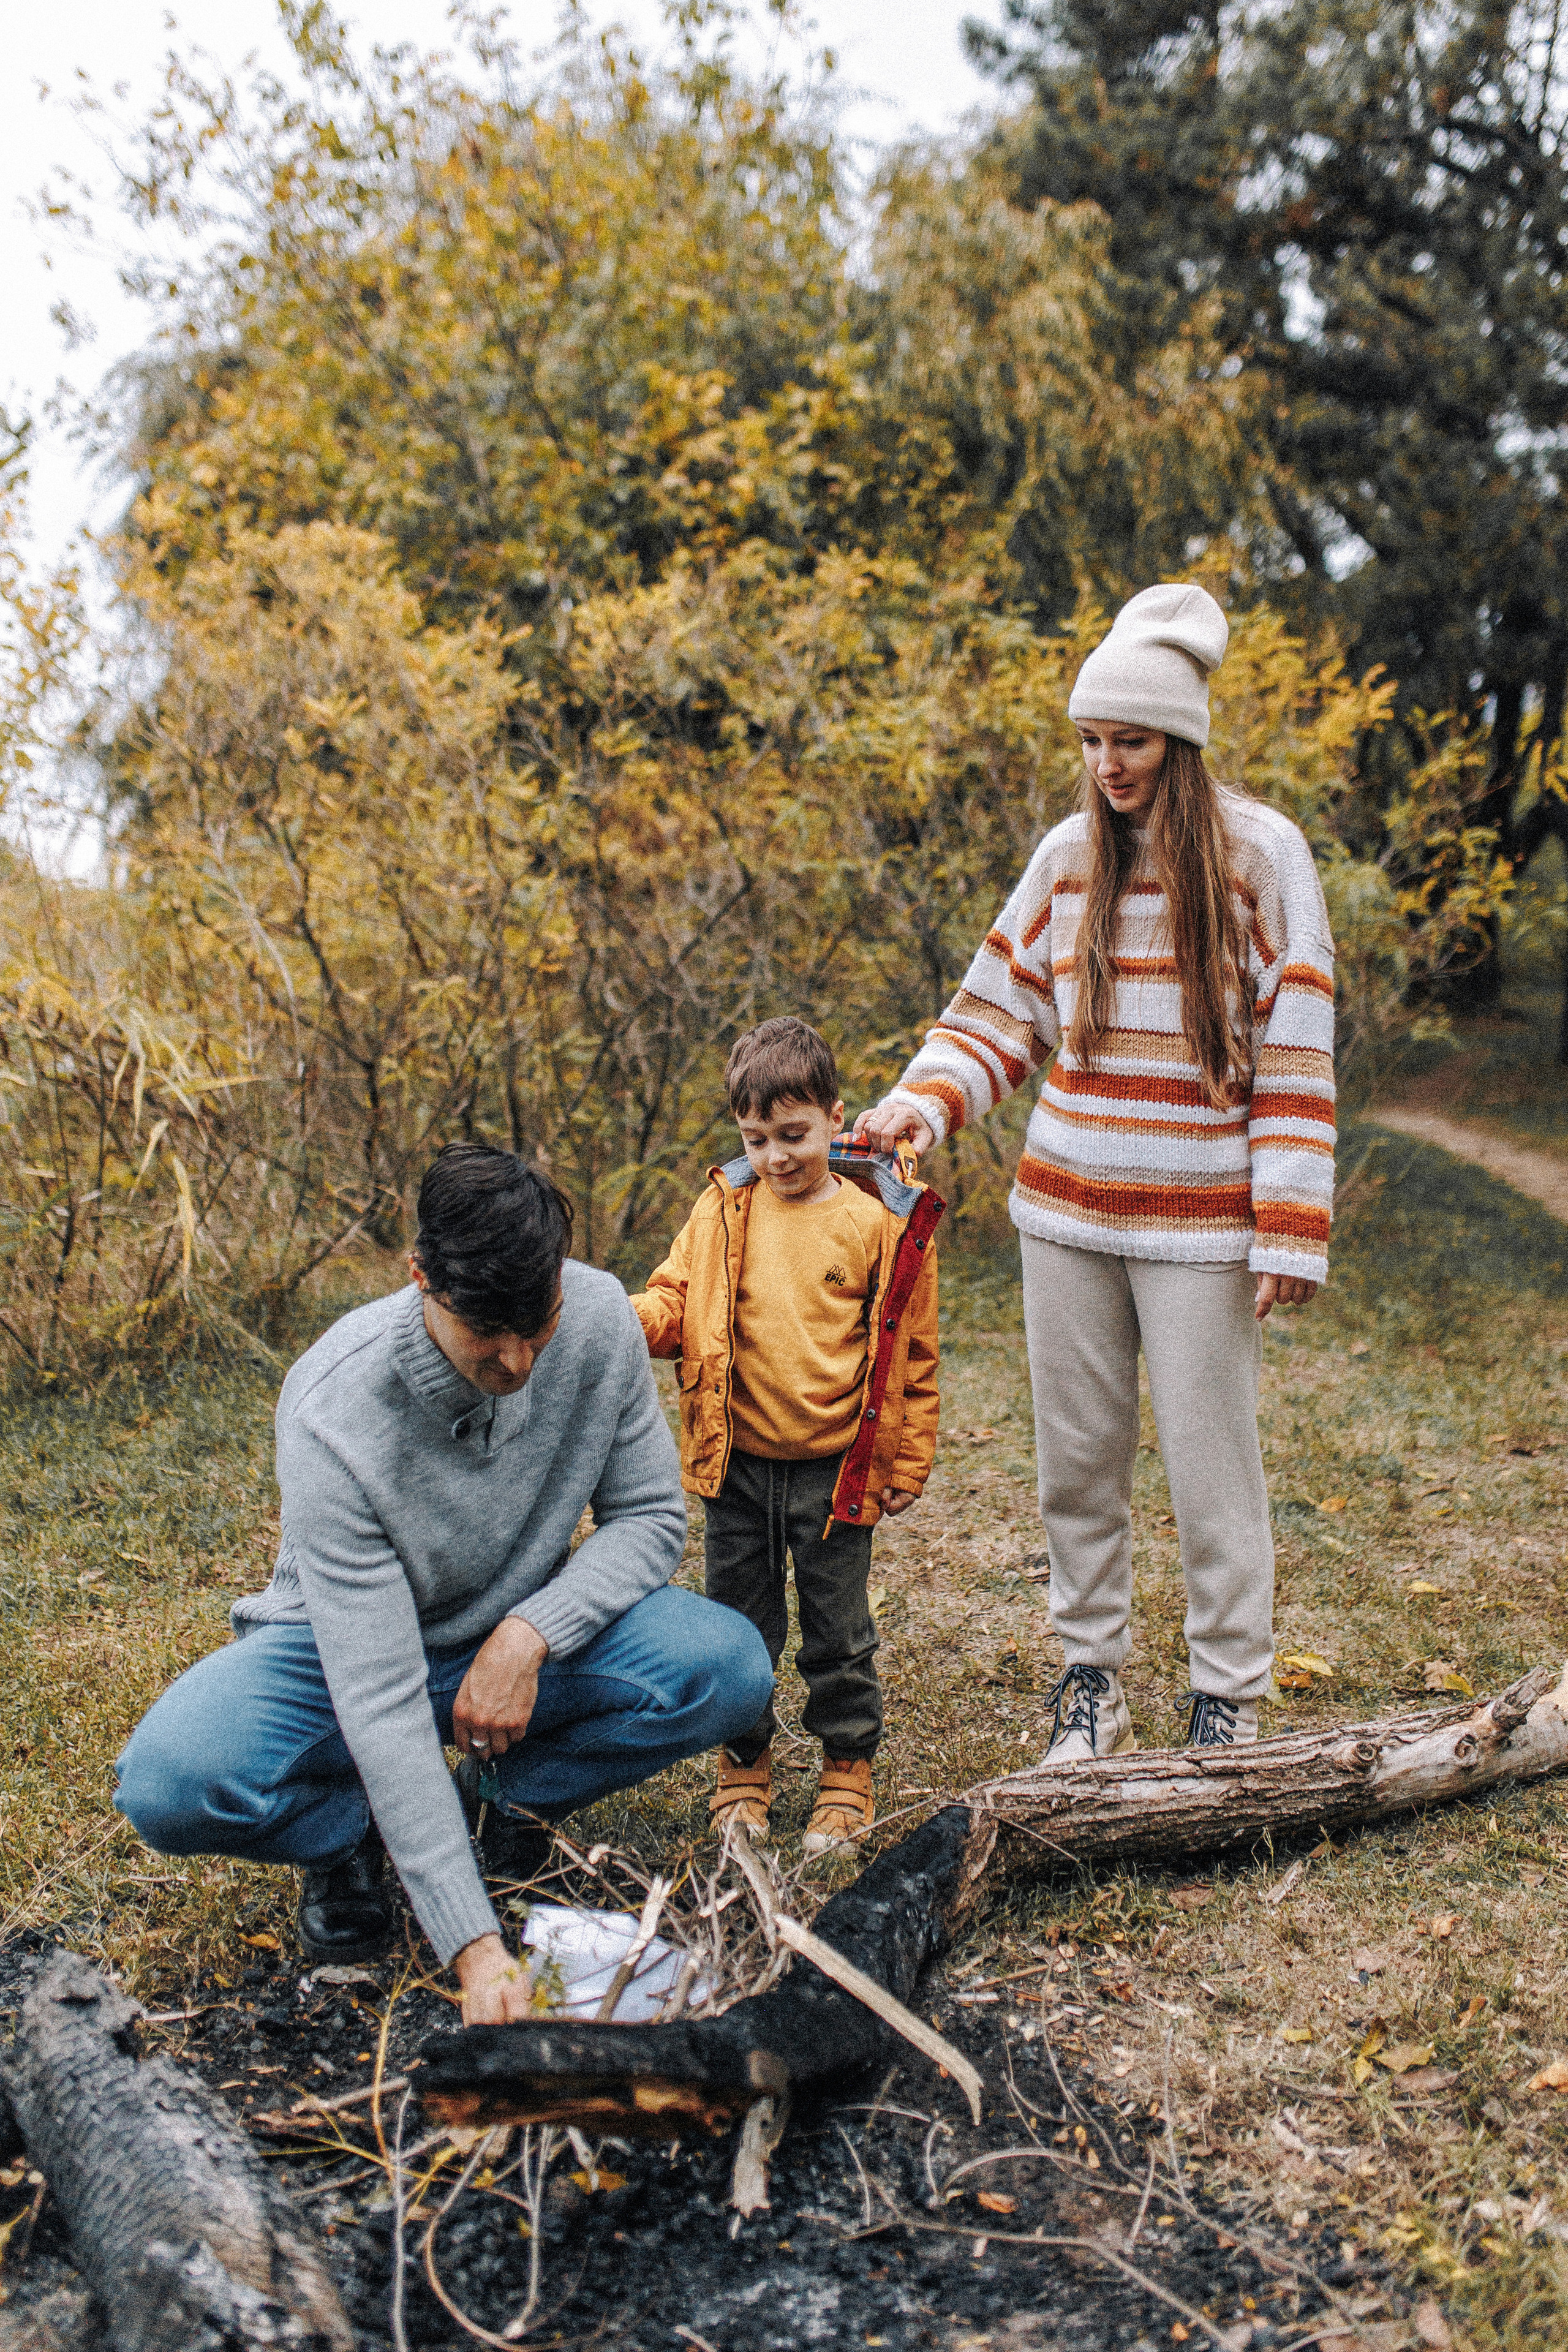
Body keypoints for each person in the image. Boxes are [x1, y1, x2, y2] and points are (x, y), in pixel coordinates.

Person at [115, 1144, 773, 2022]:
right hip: (341, 1652)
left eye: (535, 1330)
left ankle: (507, 1803)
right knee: (169, 1782)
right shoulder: (332, 1413)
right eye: (485, 1340)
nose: (518, 1366)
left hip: (514, 1642)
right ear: (421, 1276)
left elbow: (651, 1519)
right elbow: (379, 1698)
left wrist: (528, 1634)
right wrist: (475, 1947)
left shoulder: (601, 1317)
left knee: (728, 1667)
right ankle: (347, 1837)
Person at [855, 584, 1335, 1759]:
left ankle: (1228, 1697)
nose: (1108, 764)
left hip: (1202, 1223)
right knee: (1077, 1460)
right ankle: (1091, 1683)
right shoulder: (1069, 858)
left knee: (1213, 1465)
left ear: (1181, 741)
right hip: (1065, 1208)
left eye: (1131, 741)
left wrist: (1290, 1219)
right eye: (1093, 741)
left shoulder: (1264, 858)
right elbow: (1000, 1012)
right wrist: (918, 1108)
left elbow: (1297, 1046)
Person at [632, 1018, 942, 1854]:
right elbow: (674, 1298)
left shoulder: (877, 1223)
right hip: (737, 1464)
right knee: (739, 1622)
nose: (776, 1156)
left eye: (795, 1134)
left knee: (838, 1628)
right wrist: (626, 1322)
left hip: (835, 1472)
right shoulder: (723, 1210)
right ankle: (744, 1760)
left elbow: (912, 1353)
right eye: (757, 1137)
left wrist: (908, 1455)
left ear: (836, 1118)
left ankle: (847, 1764)